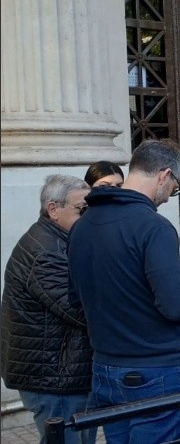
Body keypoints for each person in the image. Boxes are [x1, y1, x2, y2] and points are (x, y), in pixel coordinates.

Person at [68, 140, 180, 443]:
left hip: (105, 366)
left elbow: (76, 298)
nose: (169, 197)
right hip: (155, 368)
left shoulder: (82, 225)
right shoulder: (155, 227)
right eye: (174, 187)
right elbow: (176, 306)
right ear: (164, 175)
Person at [1, 175, 94, 444]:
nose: (88, 217)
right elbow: (78, 310)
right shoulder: (46, 251)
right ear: (53, 209)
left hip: (61, 373)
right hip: (54, 378)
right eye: (82, 210)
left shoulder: (58, 240)